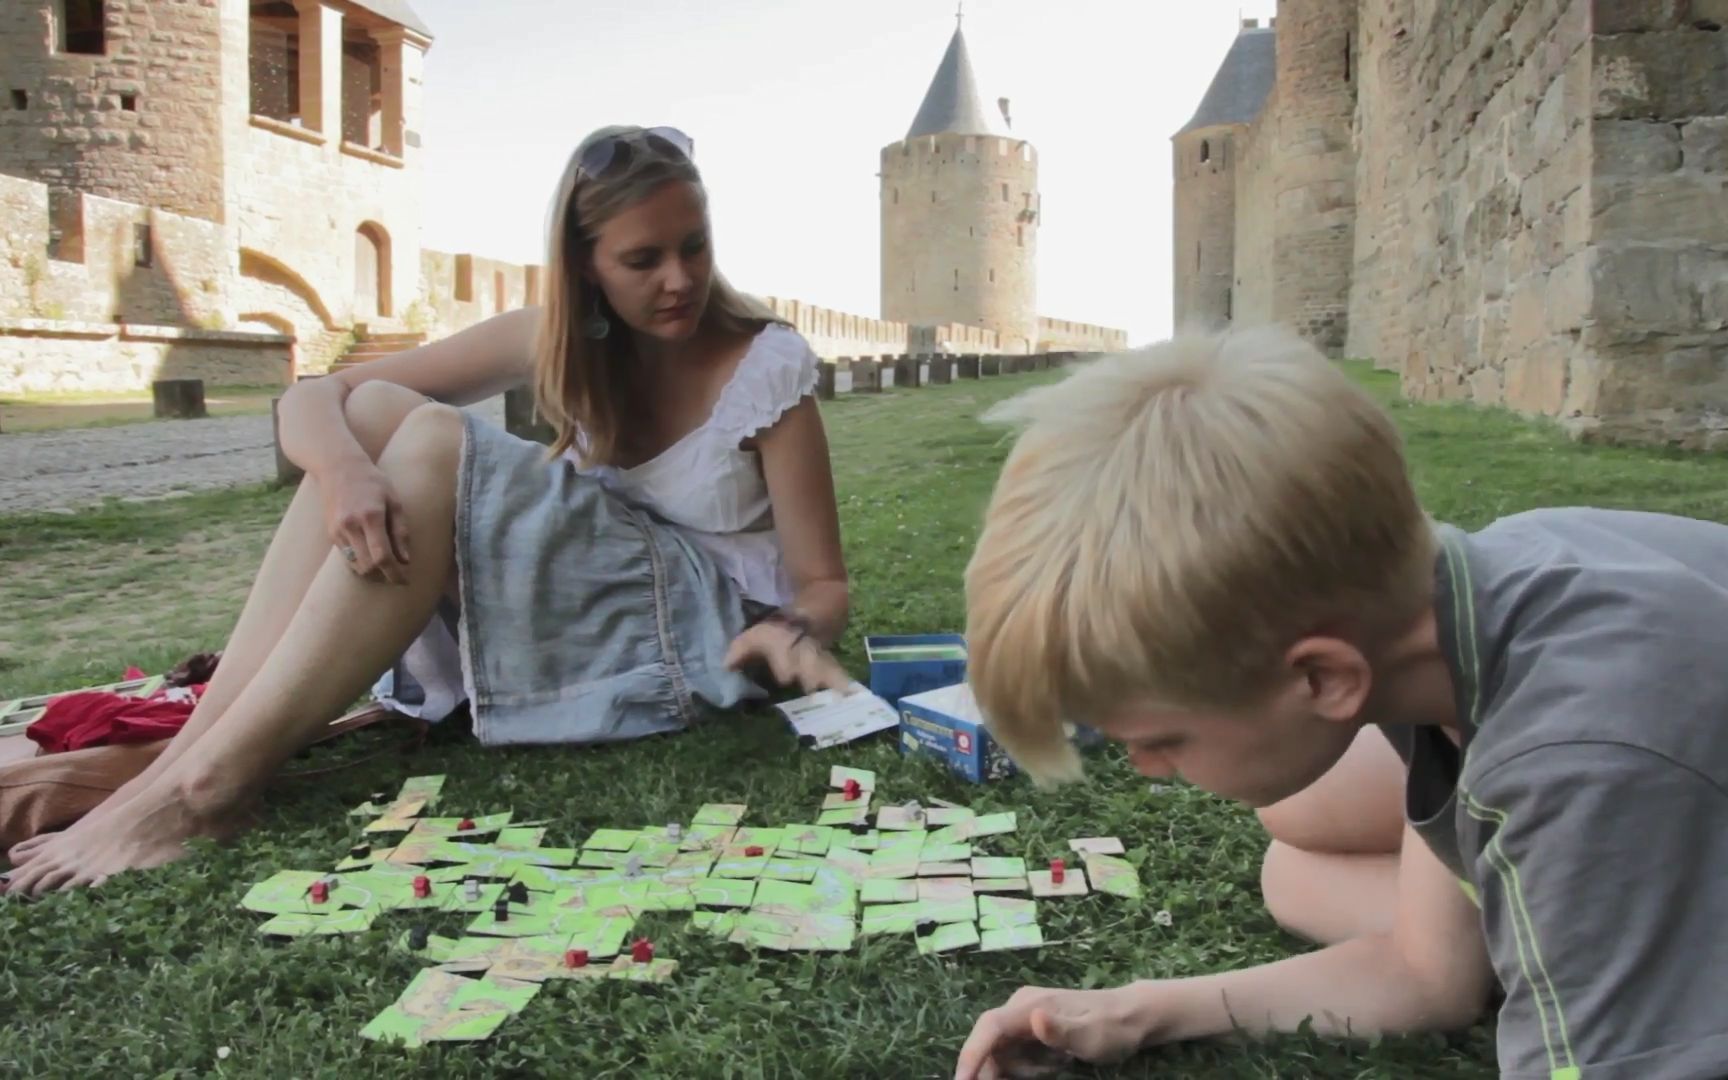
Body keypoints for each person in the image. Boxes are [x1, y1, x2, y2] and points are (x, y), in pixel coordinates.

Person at [3, 124, 852, 896]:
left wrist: (794, 628)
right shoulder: (556, 337)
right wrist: (343, 474)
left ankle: (207, 788)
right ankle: (186, 762)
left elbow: (825, 585)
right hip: (600, 597)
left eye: (695, 247)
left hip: (711, 631)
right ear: (586, 266)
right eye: (644, 260)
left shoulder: (762, 366)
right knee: (373, 416)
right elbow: (318, 397)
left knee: (437, 440)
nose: (681, 280)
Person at [952, 326, 1728, 1080]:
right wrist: (1136, 1010)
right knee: (1292, 860)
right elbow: (1428, 972)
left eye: (1164, 738)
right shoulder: (1453, 602)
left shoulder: (1573, 762)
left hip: (1646, 781)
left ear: (1323, 678)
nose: (1145, 767)